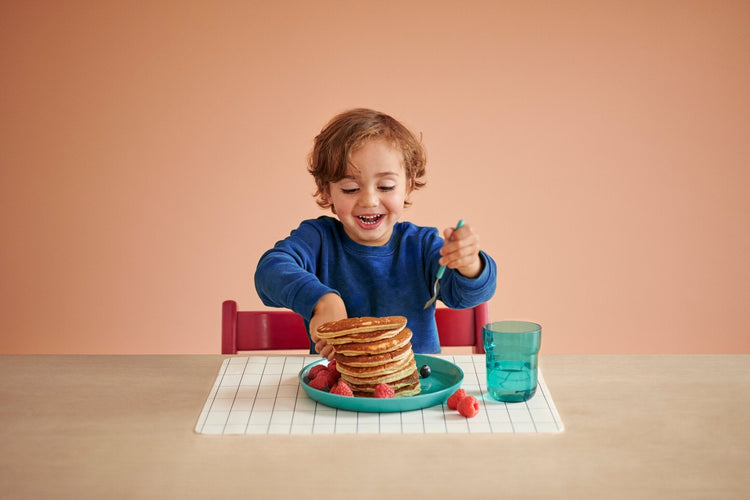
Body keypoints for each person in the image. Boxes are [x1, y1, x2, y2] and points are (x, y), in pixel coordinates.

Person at [254, 108, 496, 359]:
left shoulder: (422, 246)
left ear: (408, 186)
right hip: (337, 390)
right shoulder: (317, 240)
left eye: (386, 186)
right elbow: (269, 271)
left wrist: (470, 265)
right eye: (350, 188)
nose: (369, 200)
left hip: (414, 390)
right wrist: (322, 301)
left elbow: (467, 296)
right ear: (327, 192)